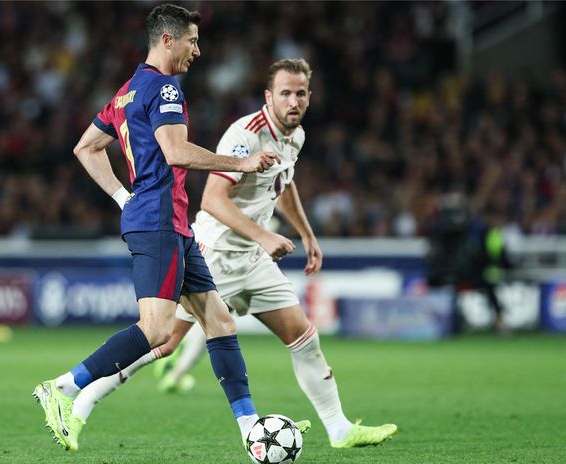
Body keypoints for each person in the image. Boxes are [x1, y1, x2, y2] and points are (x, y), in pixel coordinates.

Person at [67, 59, 398, 450]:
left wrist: (307, 234)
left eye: (300, 94)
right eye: (285, 93)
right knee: (164, 341)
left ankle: (340, 430)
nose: (293, 101)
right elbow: (212, 199)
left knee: (303, 337)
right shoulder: (246, 134)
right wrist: (264, 236)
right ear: (268, 97)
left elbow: (283, 183)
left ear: (310, 97)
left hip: (252, 258)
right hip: (217, 253)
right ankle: (82, 402)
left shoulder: (295, 136)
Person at [32, 4, 294, 453]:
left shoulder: (128, 91)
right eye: (192, 40)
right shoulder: (165, 88)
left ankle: (251, 429)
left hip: (167, 221)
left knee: (219, 321)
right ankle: (63, 387)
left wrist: (122, 198)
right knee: (156, 330)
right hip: (158, 221)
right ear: (168, 40)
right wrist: (242, 163)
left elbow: (86, 147)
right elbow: (175, 152)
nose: (198, 50)